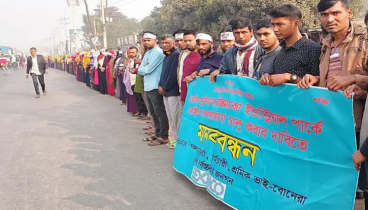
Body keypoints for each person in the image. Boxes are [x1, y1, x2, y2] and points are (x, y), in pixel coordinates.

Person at [259, 4, 321, 86]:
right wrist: (268, 77)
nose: (275, 29)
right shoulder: (280, 50)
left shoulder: (312, 49)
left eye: (280, 24)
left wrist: (289, 77)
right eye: (273, 25)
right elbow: (278, 77)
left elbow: (317, 85)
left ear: (295, 24)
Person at [138, 32, 169, 146]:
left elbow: (146, 70)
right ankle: (157, 133)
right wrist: (143, 68)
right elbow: (141, 68)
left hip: (155, 85)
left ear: (155, 41)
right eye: (145, 40)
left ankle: (163, 136)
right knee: (152, 112)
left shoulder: (158, 53)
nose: (146, 42)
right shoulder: (148, 53)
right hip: (148, 85)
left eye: (149, 40)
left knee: (159, 112)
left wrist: (143, 68)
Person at [159, 34, 181, 149]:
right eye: (163, 43)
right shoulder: (167, 56)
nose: (165, 45)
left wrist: (164, 87)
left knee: (176, 118)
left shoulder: (176, 55)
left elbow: (173, 75)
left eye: (167, 43)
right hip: (165, 92)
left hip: (173, 92)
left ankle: (179, 141)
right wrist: (160, 85)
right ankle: (176, 139)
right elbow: (163, 73)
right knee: (171, 118)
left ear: (173, 44)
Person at [124, 47, 139, 116]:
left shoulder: (139, 60)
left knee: (137, 97)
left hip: (136, 80)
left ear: (137, 52)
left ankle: (138, 111)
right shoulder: (129, 60)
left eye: (133, 52)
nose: (131, 54)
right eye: (129, 52)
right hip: (130, 80)